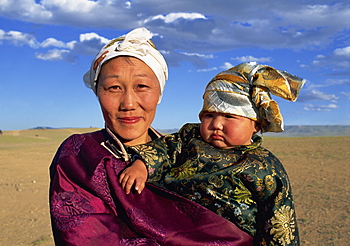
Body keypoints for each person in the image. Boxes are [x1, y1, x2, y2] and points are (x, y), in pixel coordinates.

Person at [49, 28, 253, 245]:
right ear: (98, 92)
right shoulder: (79, 155)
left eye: (142, 87)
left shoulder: (188, 152)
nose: (128, 104)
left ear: (159, 94)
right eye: (113, 88)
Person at [120, 62, 305, 246]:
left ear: (256, 125)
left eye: (229, 116)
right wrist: (141, 165)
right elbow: (164, 149)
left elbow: (279, 220)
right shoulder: (189, 138)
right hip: (172, 231)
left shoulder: (264, 166)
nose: (216, 124)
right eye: (209, 115)